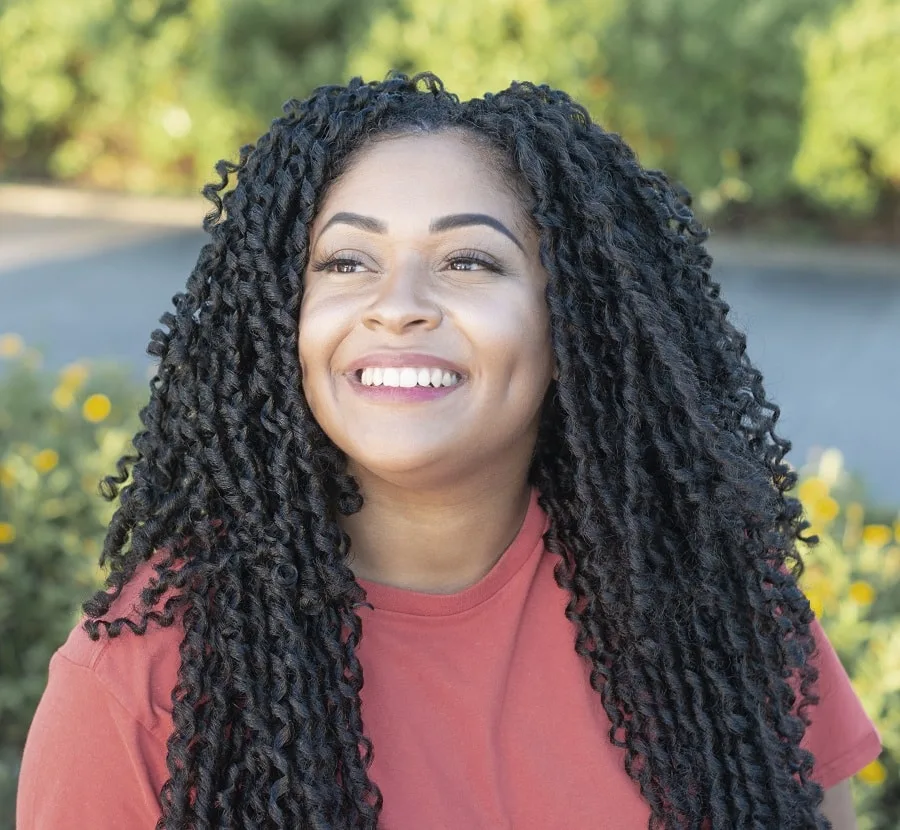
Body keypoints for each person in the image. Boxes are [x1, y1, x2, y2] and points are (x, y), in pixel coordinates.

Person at [17, 73, 880, 830]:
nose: (399, 306)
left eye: (469, 260)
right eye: (346, 261)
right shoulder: (139, 679)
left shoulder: (715, 606)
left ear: (574, 323)